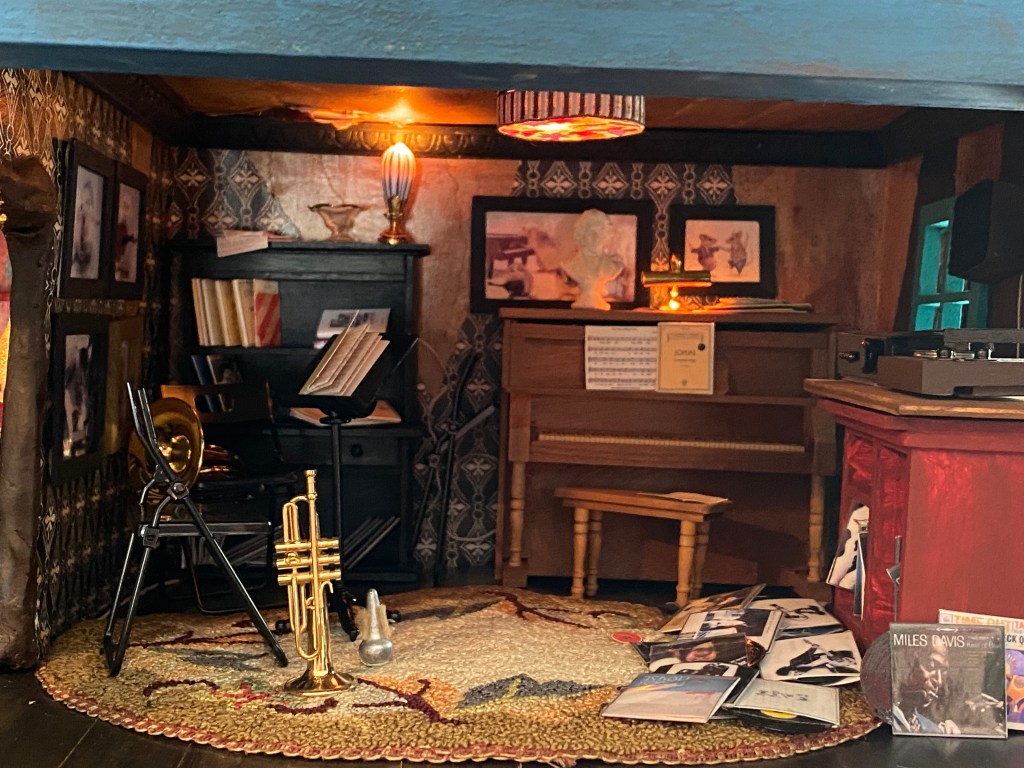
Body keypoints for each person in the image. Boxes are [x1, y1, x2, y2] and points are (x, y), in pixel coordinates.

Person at [892, 633, 960, 734]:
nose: (939, 681)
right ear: (908, 663)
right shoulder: (888, 717)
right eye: (931, 666)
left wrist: (943, 734)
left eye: (942, 671)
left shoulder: (918, 720)